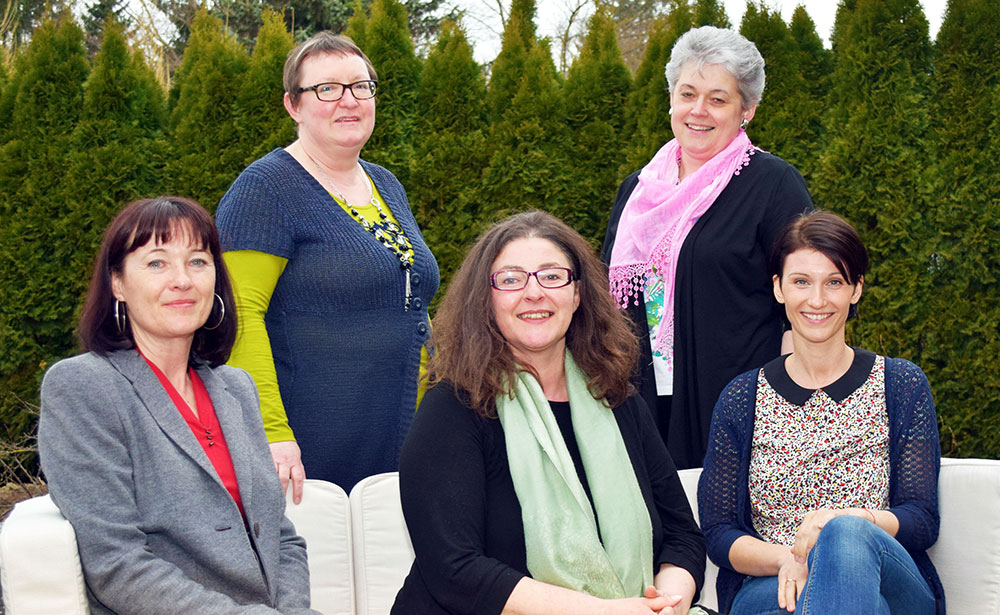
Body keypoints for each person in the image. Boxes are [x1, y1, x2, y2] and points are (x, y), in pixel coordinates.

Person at [391, 211, 705, 615]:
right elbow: (455, 570)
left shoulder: (619, 401)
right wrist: (606, 612)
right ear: (486, 300)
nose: (533, 292)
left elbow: (682, 534)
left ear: (577, 295)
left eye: (552, 276)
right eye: (510, 279)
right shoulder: (453, 407)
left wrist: (668, 604)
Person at [37, 197, 320, 615]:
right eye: (156, 263)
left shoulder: (235, 388)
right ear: (117, 283)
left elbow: (282, 537)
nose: (182, 280)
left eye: (197, 262)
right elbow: (115, 564)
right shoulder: (83, 387)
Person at [215, 32, 439, 495]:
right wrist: (271, 432)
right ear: (293, 105)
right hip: (316, 436)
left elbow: (410, 295)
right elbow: (239, 314)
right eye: (327, 89)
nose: (349, 100)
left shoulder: (385, 183)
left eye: (361, 86)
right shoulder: (265, 188)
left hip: (404, 425)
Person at [697, 211, 944, 615]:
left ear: (856, 289)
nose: (817, 300)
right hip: (775, 580)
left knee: (845, 534)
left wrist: (841, 522)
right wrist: (788, 559)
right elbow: (720, 533)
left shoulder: (899, 384)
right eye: (801, 282)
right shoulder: (742, 398)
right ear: (778, 288)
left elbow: (921, 519)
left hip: (892, 578)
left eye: (834, 282)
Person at [602, 25, 814, 470]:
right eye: (687, 94)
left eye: (718, 99)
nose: (699, 111)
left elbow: (802, 303)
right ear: (672, 99)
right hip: (639, 405)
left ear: (747, 110)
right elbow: (607, 300)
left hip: (736, 411)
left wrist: (796, 412)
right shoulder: (637, 191)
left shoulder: (774, 185)